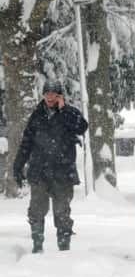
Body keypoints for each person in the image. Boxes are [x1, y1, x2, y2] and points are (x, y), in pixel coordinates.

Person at [13, 80, 88, 253]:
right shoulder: (37, 115)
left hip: (62, 172)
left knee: (62, 212)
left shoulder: (68, 114)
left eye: (54, 94)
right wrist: (18, 166)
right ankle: (37, 246)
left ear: (60, 96)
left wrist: (64, 110)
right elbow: (26, 143)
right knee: (37, 210)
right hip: (39, 171)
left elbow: (82, 127)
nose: (50, 97)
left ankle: (64, 249)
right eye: (47, 94)